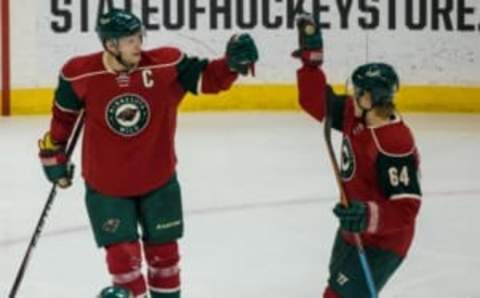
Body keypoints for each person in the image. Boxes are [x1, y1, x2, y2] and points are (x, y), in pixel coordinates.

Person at [37, 8, 258, 298]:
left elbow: (209, 79)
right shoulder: (79, 74)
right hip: (107, 187)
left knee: (165, 260)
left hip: (159, 181)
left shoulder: (165, 65)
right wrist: (54, 153)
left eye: (139, 37)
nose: (138, 45)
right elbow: (63, 119)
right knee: (123, 263)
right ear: (110, 44)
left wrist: (231, 65)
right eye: (130, 40)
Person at [292, 14, 422, 298]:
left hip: (382, 243)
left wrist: (366, 216)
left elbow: (406, 209)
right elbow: (315, 104)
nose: (353, 95)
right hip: (353, 230)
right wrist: (311, 64)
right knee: (335, 290)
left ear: (372, 98)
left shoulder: (394, 144)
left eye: (359, 92)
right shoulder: (356, 114)